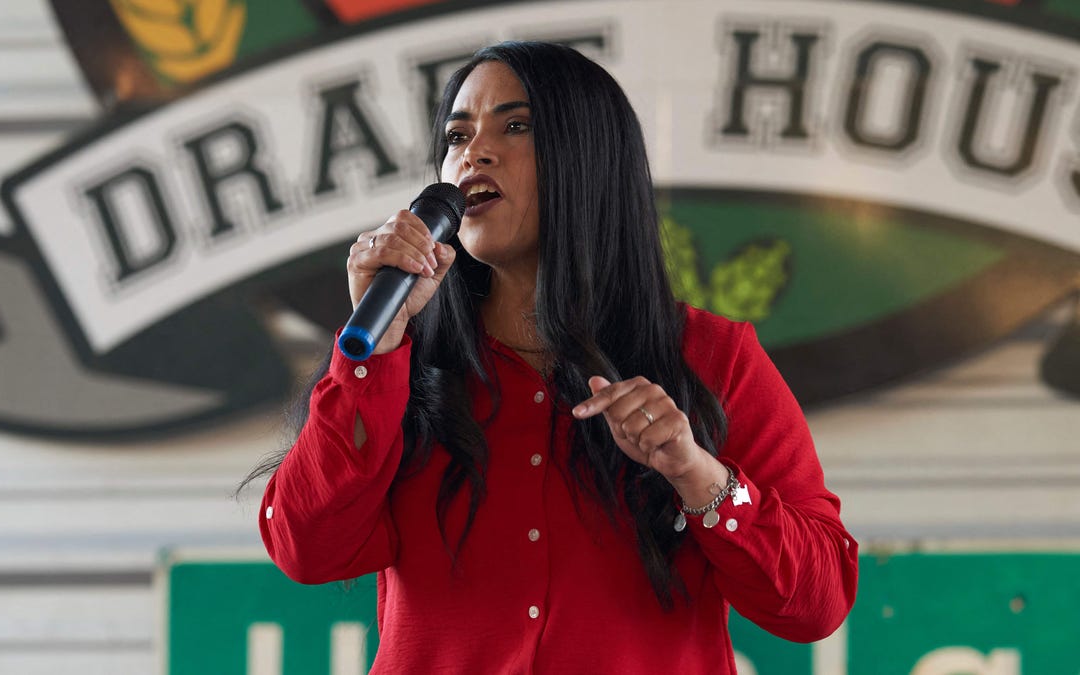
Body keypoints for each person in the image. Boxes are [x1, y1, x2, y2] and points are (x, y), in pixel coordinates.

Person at [248, 41, 858, 674]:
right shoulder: (399, 358)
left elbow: (818, 601)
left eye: (515, 125)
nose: (473, 152)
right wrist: (373, 352)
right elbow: (305, 548)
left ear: (589, 159)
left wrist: (697, 475)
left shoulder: (711, 356)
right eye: (457, 135)